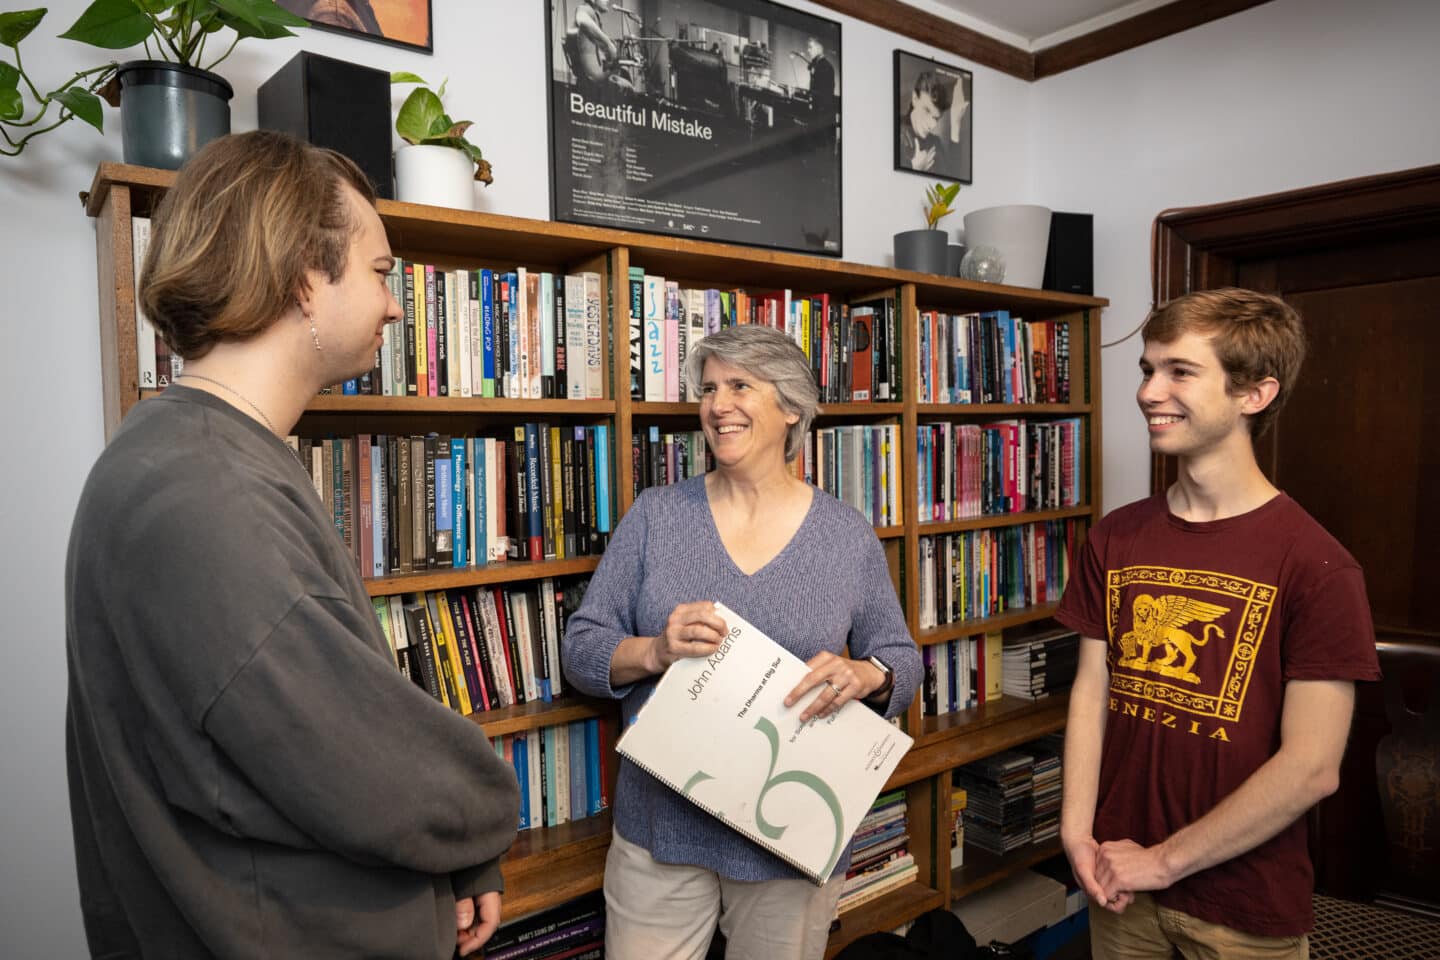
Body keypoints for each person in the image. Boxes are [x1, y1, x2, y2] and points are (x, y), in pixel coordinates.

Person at [65, 131, 520, 959]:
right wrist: (484, 812)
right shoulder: (206, 493)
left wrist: (458, 862)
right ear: (307, 280)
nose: (393, 304)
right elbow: (363, 765)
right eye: (381, 273)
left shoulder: (195, 451)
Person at [561, 325, 921, 960]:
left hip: (792, 840)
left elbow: (900, 659)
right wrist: (654, 651)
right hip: (660, 832)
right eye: (708, 389)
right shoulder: (655, 515)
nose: (717, 405)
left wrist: (868, 676)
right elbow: (583, 649)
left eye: (739, 387)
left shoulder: (845, 535)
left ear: (790, 409)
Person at [1055, 289, 1381, 958]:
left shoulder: (1318, 565)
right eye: (1147, 369)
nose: (1150, 391)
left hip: (1242, 906)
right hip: (1119, 881)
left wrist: (1167, 861)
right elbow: (1093, 694)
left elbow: (1313, 767)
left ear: (1254, 395)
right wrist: (1075, 831)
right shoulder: (1116, 539)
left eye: (1179, 370)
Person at [568, 0, 635, 92]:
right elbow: (583, 20)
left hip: (593, 78)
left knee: (624, 74)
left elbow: (605, 54)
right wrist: (608, 43)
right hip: (592, 80)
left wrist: (625, 59)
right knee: (628, 85)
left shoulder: (595, 17)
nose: (608, 0)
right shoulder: (586, 9)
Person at [898, 71, 955, 173]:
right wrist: (914, 168)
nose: (932, 125)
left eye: (936, 118)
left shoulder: (936, 144)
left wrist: (956, 126)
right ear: (915, 98)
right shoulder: (893, 129)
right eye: (927, 110)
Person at [803, 36, 836, 122]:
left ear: (818, 49)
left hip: (822, 116)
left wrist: (808, 94)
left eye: (810, 47)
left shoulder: (825, 67)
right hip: (817, 113)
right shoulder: (817, 65)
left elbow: (825, 94)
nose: (808, 50)